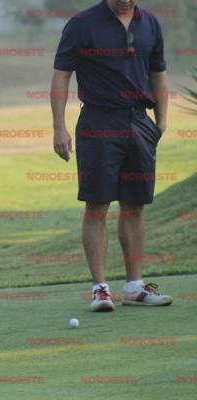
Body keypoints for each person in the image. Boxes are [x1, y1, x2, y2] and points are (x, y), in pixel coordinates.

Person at [50, 0, 173, 312]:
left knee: (135, 206)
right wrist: (59, 128)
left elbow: (158, 72)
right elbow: (61, 75)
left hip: (140, 123)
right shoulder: (82, 23)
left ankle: (133, 287)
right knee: (97, 205)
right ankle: (100, 289)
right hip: (98, 122)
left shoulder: (150, 24)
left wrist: (160, 122)